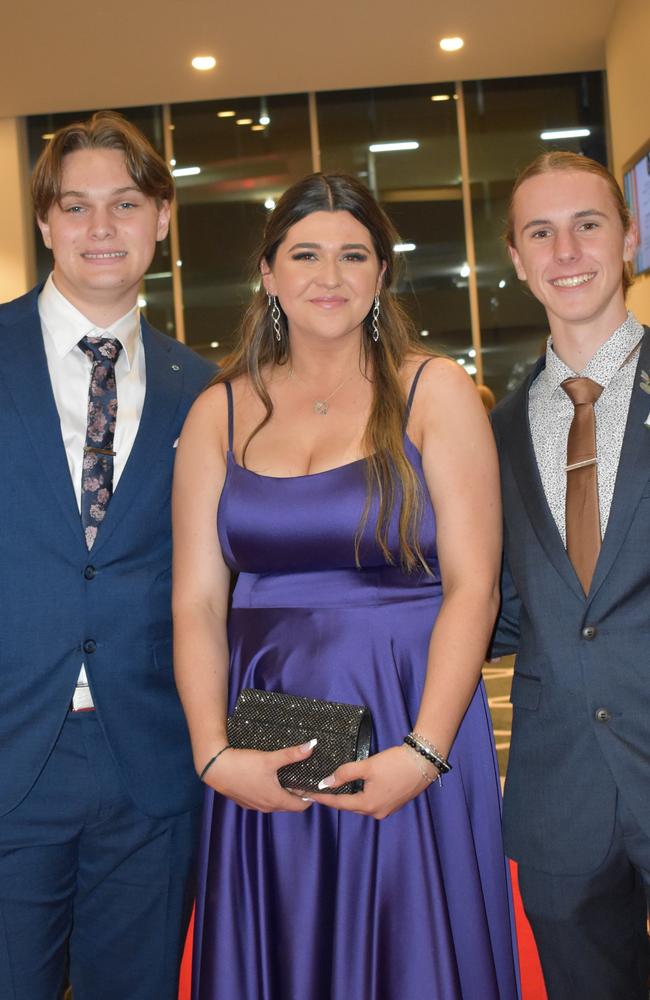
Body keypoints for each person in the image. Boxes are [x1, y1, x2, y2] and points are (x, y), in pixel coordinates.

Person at [172, 172, 520, 999]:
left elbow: (476, 587)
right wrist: (214, 756)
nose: (329, 276)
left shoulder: (432, 389)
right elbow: (195, 600)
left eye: (353, 254)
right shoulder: (216, 411)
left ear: (381, 273)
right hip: (265, 738)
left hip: (411, 718)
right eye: (305, 254)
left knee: (413, 951)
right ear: (268, 274)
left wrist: (426, 752)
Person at [0, 111, 213, 1000]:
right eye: (75, 206)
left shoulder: (205, 388)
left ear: (161, 217)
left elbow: (239, 587)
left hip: (151, 767)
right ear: (44, 221)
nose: (100, 228)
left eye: (125, 204)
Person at [491, 151, 649, 998]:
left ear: (628, 234)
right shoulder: (492, 432)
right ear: (516, 260)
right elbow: (499, 607)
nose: (566, 251)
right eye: (539, 233)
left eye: (587, 224)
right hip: (561, 797)